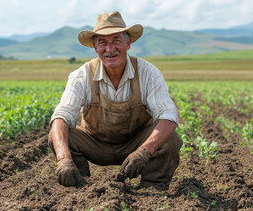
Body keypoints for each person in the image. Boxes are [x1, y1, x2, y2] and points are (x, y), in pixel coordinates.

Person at [49, 11, 183, 188]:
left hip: (136, 144)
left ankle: (154, 187)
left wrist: (144, 151)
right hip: (95, 144)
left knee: (170, 139)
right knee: (58, 135)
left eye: (116, 41)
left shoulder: (147, 73)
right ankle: (78, 185)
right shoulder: (81, 76)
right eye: (102, 42)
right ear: (95, 48)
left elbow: (169, 115)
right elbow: (61, 116)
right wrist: (64, 159)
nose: (109, 49)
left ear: (128, 43)